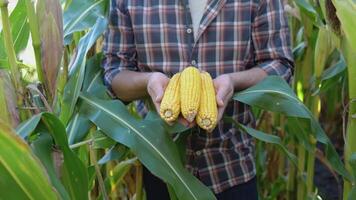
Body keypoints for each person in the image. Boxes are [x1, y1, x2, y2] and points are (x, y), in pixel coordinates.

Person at [102, 0, 294, 199]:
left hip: (232, 167)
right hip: (162, 167)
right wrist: (149, 82)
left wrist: (232, 83)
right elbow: (114, 74)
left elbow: (280, 66)